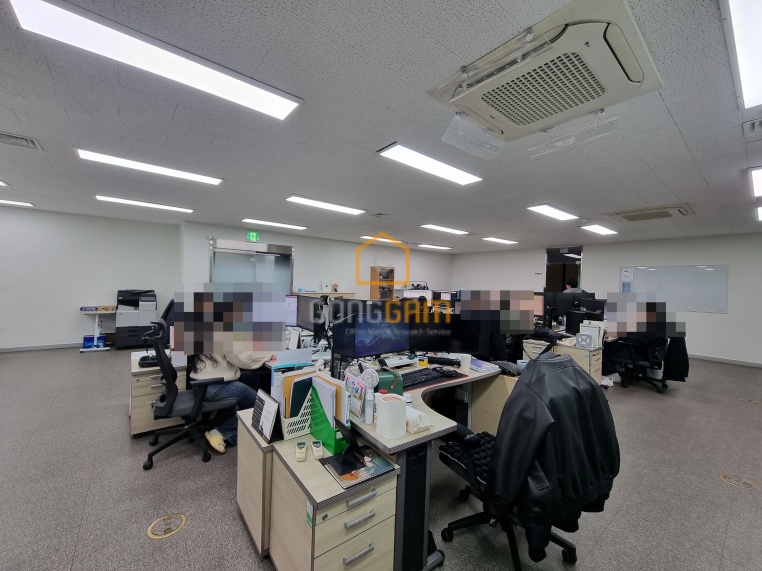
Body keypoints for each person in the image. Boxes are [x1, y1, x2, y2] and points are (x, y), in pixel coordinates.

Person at [189, 352, 273, 453]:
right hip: (212, 386)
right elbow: (242, 360)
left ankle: (238, 419)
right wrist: (268, 355)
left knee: (251, 378)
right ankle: (222, 432)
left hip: (201, 383)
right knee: (259, 403)